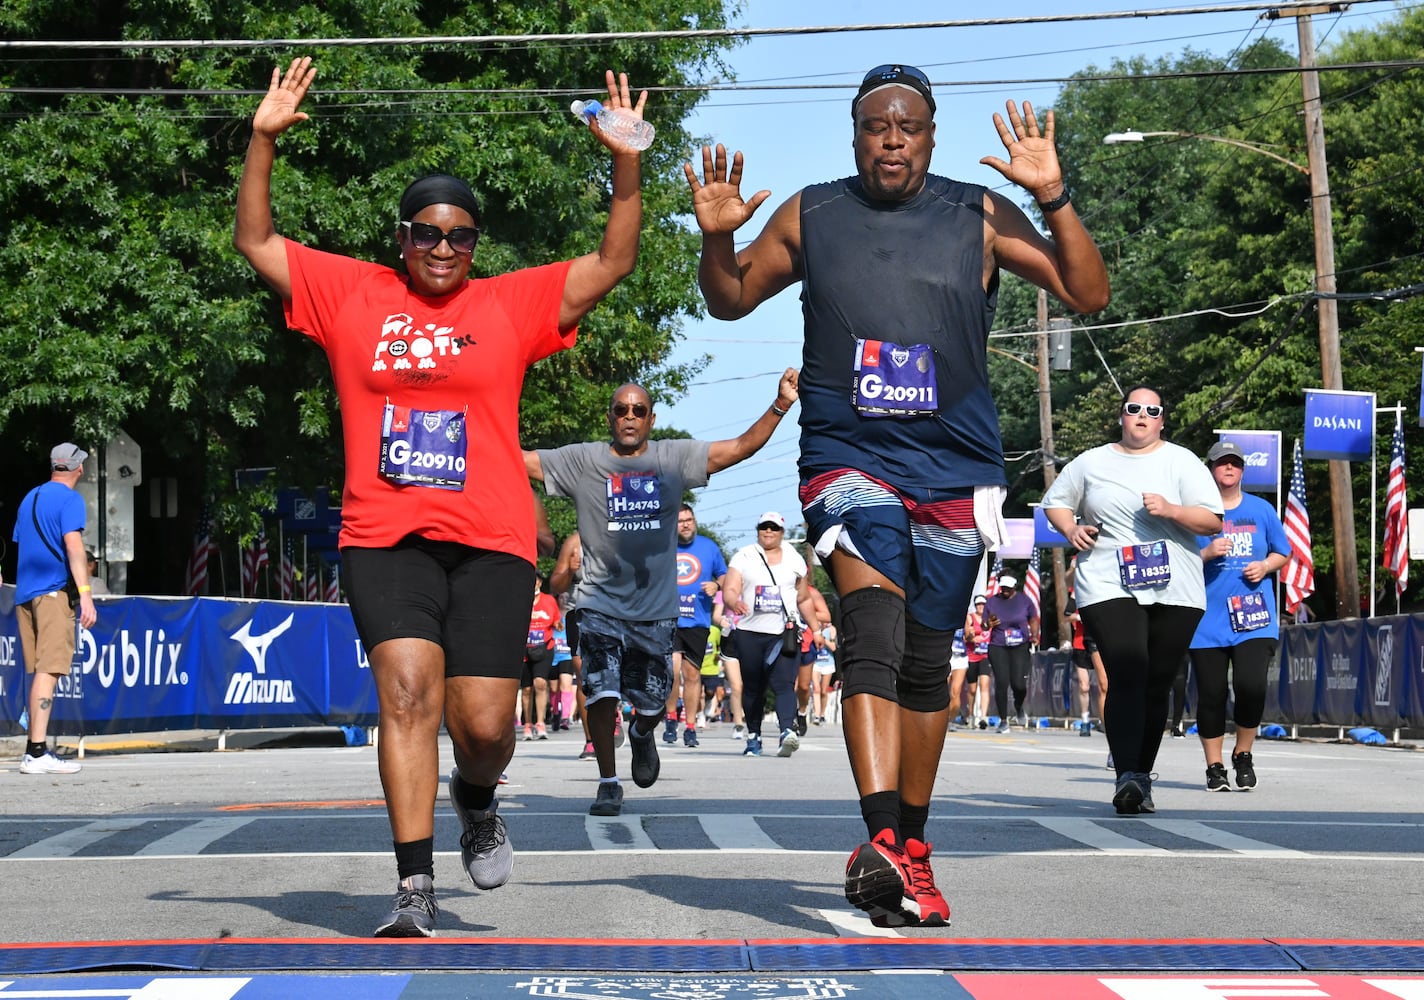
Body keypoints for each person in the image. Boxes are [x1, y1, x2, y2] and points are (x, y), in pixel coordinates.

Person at [685, 62, 1109, 927]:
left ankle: (910, 849)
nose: (891, 136)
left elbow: (1088, 292)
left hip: (957, 464)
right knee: (870, 627)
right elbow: (727, 301)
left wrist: (1056, 195)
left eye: (907, 124)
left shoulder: (979, 213)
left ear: (930, 136)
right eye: (876, 123)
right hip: (850, 454)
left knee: (928, 664)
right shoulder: (812, 212)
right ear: (853, 136)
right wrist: (715, 240)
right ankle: (880, 838)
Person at [233, 56, 648, 937]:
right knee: (409, 696)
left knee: (487, 724)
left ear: (476, 243)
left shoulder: (509, 303)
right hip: (385, 533)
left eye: (460, 235)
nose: (445, 248)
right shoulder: (352, 293)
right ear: (402, 239)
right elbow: (257, 243)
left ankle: (478, 794)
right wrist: (261, 140)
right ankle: (414, 888)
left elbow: (617, 258)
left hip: (494, 536)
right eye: (428, 233)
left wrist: (624, 159)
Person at [525, 374, 800, 817]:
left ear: (651, 418)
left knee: (652, 701)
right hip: (597, 602)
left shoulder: (674, 457)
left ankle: (642, 732)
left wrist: (781, 404)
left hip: (655, 611)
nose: (629, 416)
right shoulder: (582, 460)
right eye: (620, 409)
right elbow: (514, 461)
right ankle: (609, 781)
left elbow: (740, 447)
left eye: (638, 410)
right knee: (599, 692)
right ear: (609, 417)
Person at [1042, 386, 1223, 816]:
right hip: (1108, 581)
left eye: (1152, 410)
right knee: (1127, 669)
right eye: (1134, 408)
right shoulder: (1091, 461)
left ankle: (1141, 775)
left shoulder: (1181, 460)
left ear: (1162, 420)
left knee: (1157, 681)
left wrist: (1172, 511)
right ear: (1121, 416)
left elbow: (1213, 520)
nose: (1142, 415)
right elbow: (1057, 503)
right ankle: (1126, 775)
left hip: (1175, 586)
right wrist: (1071, 530)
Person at [1189, 440, 1290, 792]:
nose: (1228, 469)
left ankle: (1243, 753)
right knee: (1212, 693)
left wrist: (1264, 566)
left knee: (1251, 686)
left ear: (1242, 470)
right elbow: (1177, 561)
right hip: (1206, 620)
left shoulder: (1261, 510)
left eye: (1234, 463)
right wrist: (1206, 552)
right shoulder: (1197, 514)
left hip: (1254, 618)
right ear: (1211, 469)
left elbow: (1283, 552)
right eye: (1221, 463)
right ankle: (1214, 766)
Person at [11, 443, 98, 775]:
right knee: (49, 671)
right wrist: (86, 594)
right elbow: (74, 547)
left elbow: (23, 545)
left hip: (26, 595)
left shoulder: (29, 497)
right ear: (77, 468)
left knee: (38, 672)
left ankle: (34, 749)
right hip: (52, 595)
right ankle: (36, 752)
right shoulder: (70, 499)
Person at [722, 512, 817, 758]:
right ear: (758, 530)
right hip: (750, 632)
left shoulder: (794, 559)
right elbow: (730, 588)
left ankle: (787, 731)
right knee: (753, 688)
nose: (768, 532)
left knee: (784, 683)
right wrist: (734, 602)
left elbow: (804, 598)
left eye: (773, 528)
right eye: (764, 527)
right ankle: (754, 735)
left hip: (783, 632)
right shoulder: (744, 556)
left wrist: (816, 629)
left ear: (782, 532)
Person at [667, 504, 728, 748]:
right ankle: (671, 717)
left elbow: (724, 576)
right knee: (671, 670)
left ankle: (690, 726)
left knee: (692, 675)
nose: (685, 524)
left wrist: (717, 585)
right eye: (680, 520)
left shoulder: (708, 547)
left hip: (698, 619)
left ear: (695, 521)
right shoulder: (664, 546)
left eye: (689, 520)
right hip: (669, 618)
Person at [983, 573, 1039, 733]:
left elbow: (1033, 619)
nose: (1005, 591)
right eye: (1003, 588)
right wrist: (988, 624)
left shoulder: (1024, 601)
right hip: (998, 646)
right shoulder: (992, 601)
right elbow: (985, 625)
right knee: (1001, 682)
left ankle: (1019, 706)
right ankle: (1003, 720)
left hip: (1020, 646)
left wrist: (1035, 635)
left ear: (1015, 586)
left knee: (1019, 684)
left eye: (1008, 588)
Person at [522, 577, 562, 741]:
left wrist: (558, 624)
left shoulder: (549, 600)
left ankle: (540, 723)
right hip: (524, 649)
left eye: (537, 580)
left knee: (540, 683)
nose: (534, 583)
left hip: (545, 647)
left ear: (539, 583)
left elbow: (556, 619)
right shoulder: (520, 598)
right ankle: (527, 724)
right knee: (526, 689)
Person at [966, 595, 992, 729]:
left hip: (985, 656)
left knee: (985, 685)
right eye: (978, 604)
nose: (981, 607)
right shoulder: (970, 618)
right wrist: (972, 637)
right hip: (971, 656)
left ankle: (983, 717)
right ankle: (970, 715)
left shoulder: (990, 619)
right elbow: (965, 637)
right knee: (972, 689)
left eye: (983, 604)